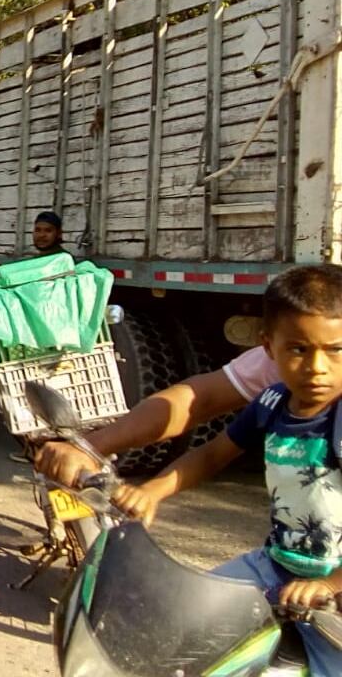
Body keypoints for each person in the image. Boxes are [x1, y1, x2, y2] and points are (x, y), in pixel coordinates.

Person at [112, 265, 342, 675]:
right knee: (181, 618)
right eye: (299, 349)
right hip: (274, 566)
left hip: (333, 596)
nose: (316, 367)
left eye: (334, 350)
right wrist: (153, 491)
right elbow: (212, 454)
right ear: (269, 347)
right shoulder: (271, 404)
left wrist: (327, 585)